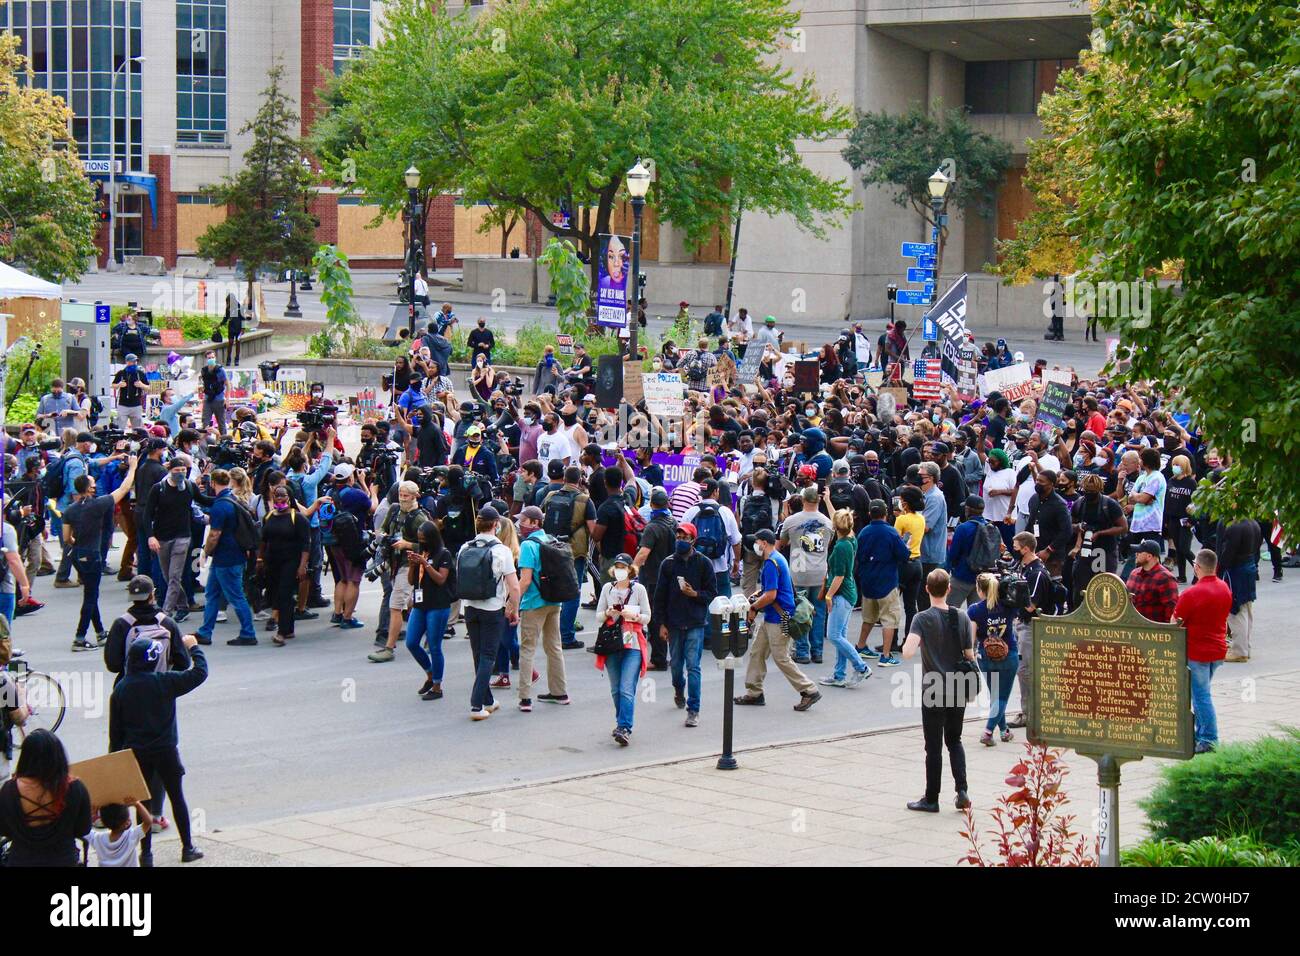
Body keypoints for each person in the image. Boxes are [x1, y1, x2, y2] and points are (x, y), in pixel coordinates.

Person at [109, 632, 208, 865]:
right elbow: (199, 673)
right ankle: (187, 847)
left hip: (137, 753)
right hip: (166, 751)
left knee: (142, 803)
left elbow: (116, 734)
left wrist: (116, 763)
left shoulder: (121, 689)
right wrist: (194, 648)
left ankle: (147, 854)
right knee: (177, 798)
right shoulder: (165, 682)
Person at [901, 568, 976, 813]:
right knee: (955, 740)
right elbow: (969, 655)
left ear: (926, 589)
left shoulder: (922, 618)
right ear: (949, 589)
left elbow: (908, 652)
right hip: (957, 686)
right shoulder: (962, 616)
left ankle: (931, 797)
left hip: (933, 688)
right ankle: (962, 790)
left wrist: (918, 641)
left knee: (933, 746)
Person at [736, 529, 820, 711]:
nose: (755, 546)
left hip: (778, 617)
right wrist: (757, 598)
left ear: (764, 543)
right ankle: (754, 692)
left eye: (757, 542)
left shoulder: (771, 563)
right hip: (774, 616)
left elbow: (771, 595)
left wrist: (754, 607)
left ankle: (809, 690)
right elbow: (770, 590)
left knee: (781, 657)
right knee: (757, 652)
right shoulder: (776, 558)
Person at [63, 456, 139, 651]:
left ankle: (100, 632)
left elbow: (67, 538)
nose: (95, 486)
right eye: (93, 483)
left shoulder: (70, 510)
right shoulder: (98, 504)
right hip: (92, 555)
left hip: (77, 554)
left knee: (91, 592)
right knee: (90, 596)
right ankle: (79, 637)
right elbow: (123, 489)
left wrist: (78, 543)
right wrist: (133, 468)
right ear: (88, 488)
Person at [457, 505, 520, 720]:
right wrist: (514, 609)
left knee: (478, 654)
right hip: (492, 607)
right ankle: (476, 704)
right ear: (496, 525)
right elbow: (514, 586)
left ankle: (488, 700)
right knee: (488, 656)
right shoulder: (501, 551)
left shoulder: (465, 547)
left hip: (470, 606)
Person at [1171, 549, 1233, 754]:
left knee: (1201, 696)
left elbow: (1175, 623)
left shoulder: (1191, 593)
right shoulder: (1224, 588)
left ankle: (1208, 738)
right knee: (1202, 693)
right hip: (1217, 649)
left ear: (1197, 567)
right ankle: (1201, 734)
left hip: (1197, 651)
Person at [654, 522, 716, 727]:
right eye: (678, 537)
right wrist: (661, 624)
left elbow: (712, 593)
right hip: (674, 622)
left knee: (694, 667)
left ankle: (693, 709)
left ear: (693, 541)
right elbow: (660, 596)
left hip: (695, 621)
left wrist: (695, 594)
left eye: (685, 537)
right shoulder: (668, 564)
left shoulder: (704, 563)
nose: (680, 540)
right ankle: (678, 688)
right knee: (676, 666)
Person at [0, 729, 92, 867]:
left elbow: (4, 829)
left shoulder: (9, 790)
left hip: (21, 861)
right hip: (64, 861)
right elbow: (83, 829)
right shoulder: (75, 788)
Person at [193, 469, 259, 647]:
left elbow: (214, 534)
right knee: (212, 593)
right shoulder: (233, 499)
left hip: (226, 557)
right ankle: (205, 632)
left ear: (213, 483)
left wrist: (205, 553)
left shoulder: (220, 505)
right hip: (232, 555)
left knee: (235, 596)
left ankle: (248, 633)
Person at [369, 480, 432, 663]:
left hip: (409, 564)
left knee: (395, 605)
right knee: (415, 603)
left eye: (406, 496)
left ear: (415, 496)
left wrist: (407, 544)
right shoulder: (394, 510)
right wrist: (383, 537)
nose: (403, 499)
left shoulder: (420, 518)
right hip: (394, 563)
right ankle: (429, 635)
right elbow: (384, 529)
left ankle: (389, 647)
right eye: (401, 495)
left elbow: (430, 544)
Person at [143, 455, 213, 621]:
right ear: (170, 471)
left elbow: (203, 500)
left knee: (175, 576)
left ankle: (165, 612)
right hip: (162, 537)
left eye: (183, 470)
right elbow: (147, 515)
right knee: (168, 576)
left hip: (182, 536)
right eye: (177, 470)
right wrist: (150, 536)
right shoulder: (158, 489)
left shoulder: (189, 486)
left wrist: (225, 497)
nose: (181, 473)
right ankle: (183, 606)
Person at [515, 506, 569, 710]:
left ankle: (525, 697)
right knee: (554, 647)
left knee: (528, 649)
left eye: (524, 520)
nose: (521, 524)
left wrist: (512, 603)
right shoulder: (551, 540)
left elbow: (525, 580)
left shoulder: (528, 545)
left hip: (533, 603)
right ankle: (559, 692)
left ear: (534, 522)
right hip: (554, 600)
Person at [595, 553, 652, 746]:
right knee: (615, 689)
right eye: (617, 566)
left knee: (627, 688)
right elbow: (598, 616)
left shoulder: (639, 590)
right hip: (612, 643)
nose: (620, 570)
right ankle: (621, 722)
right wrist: (609, 613)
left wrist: (633, 615)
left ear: (630, 569)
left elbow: (647, 617)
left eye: (623, 567)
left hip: (633, 642)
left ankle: (624, 726)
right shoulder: (607, 589)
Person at [779, 485, 833, 664]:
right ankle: (817, 651)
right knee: (818, 613)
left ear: (802, 501)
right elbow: (829, 542)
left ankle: (802, 651)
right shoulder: (827, 522)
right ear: (818, 500)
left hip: (799, 572)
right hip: (820, 573)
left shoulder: (792, 521)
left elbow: (783, 542)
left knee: (800, 612)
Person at [1007, 531, 1054, 730]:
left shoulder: (1036, 573)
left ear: (1026, 549)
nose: (1013, 551)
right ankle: (1030, 711)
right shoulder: (1024, 566)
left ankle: (1034, 712)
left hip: (1031, 626)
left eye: (1016, 547)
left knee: (1028, 670)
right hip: (1022, 625)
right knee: (1024, 670)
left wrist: (1008, 596)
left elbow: (1030, 606)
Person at [855, 498, 911, 667]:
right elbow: (904, 555)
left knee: (868, 617)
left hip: (867, 581)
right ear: (886, 514)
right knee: (889, 618)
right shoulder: (891, 532)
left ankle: (861, 645)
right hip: (887, 581)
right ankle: (886, 656)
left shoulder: (864, 532)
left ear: (869, 514)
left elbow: (858, 555)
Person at [819, 508, 870, 688]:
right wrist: (827, 500)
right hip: (849, 592)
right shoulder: (850, 538)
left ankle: (861, 667)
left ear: (835, 526)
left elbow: (839, 576)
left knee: (833, 635)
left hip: (841, 593)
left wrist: (828, 595)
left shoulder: (841, 547)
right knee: (840, 635)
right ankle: (839, 674)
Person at [405, 521, 455, 701]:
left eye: (424, 539)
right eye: (419, 540)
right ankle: (430, 673)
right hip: (420, 604)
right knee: (411, 642)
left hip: (438, 605)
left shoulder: (444, 554)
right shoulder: (421, 552)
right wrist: (412, 565)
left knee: (434, 646)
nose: (421, 542)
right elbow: (412, 581)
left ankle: (437, 686)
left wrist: (425, 564)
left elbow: (441, 579)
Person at [967, 573, 1018, 747]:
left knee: (995, 695)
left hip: (986, 656)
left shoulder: (974, 610)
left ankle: (1004, 731)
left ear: (980, 590)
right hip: (1008, 653)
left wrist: (970, 656)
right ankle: (989, 732)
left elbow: (971, 638)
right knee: (1001, 697)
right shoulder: (1008, 606)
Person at [258, 484, 310, 646]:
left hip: (291, 562)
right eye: (276, 496)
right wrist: (260, 560)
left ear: (290, 498)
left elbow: (305, 545)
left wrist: (302, 566)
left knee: (284, 595)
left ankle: (281, 632)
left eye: (283, 496)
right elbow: (263, 541)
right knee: (275, 594)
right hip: (273, 562)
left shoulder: (298, 518)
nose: (279, 499)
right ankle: (289, 629)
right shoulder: (269, 517)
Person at [1125, 538, 1179, 624]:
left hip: (1153, 632)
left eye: (1139, 552)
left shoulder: (1166, 578)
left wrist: (1166, 632)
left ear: (1149, 556)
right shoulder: (1134, 573)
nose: (1136, 554)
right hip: (1132, 629)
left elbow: (1171, 609)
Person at [86, 800, 153, 868]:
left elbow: (83, 829)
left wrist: (91, 813)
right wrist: (137, 804)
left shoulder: (98, 839)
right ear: (126, 823)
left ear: (103, 823)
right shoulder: (131, 836)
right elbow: (148, 822)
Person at [111, 353, 148, 429]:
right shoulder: (121, 373)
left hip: (136, 405)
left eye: (136, 361)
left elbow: (148, 387)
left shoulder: (140, 373)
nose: (134, 363)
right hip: (123, 404)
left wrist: (142, 385)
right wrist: (119, 385)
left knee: (138, 428)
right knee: (120, 426)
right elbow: (113, 385)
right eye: (132, 361)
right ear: (127, 362)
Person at [198, 351, 229, 436]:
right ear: (206, 359)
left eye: (212, 357)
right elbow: (204, 383)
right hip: (208, 399)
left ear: (215, 358)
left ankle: (223, 440)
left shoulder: (220, 370)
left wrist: (227, 399)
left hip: (219, 399)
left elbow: (227, 384)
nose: (211, 359)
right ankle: (205, 440)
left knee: (221, 423)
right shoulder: (204, 370)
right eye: (209, 358)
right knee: (205, 422)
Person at [223, 292, 245, 366]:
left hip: (239, 328)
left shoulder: (239, 307)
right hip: (231, 328)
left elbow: (243, 319)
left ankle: (237, 359)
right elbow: (225, 318)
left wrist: (243, 329)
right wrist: (219, 325)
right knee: (230, 342)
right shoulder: (228, 308)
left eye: (228, 301)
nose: (228, 303)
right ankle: (228, 358)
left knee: (238, 343)